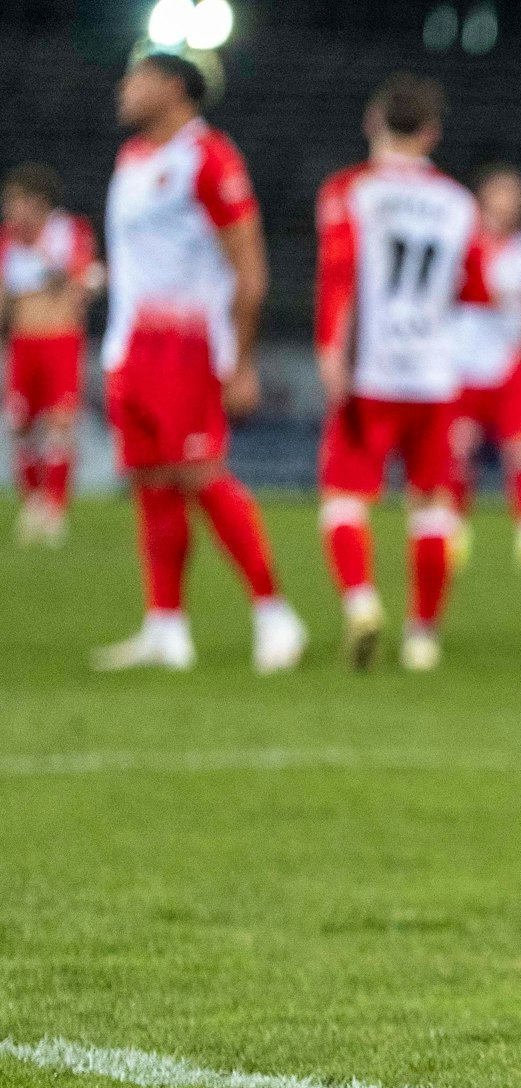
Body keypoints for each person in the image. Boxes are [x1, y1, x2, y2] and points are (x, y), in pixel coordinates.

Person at [93, 52, 307, 674]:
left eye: (134, 79)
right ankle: (166, 628)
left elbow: (250, 268)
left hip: (186, 342)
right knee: (151, 483)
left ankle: (276, 615)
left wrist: (240, 361)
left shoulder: (208, 158)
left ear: (170, 87)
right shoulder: (132, 158)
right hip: (131, 343)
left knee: (201, 473)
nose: (123, 90)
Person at [316, 74, 489, 672]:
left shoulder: (350, 191)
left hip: (371, 370)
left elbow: (338, 274)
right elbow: (474, 286)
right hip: (435, 373)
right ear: (432, 132)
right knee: (434, 506)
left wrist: (330, 351)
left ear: (373, 121)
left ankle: (363, 604)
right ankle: (422, 637)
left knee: (344, 499)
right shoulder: (459, 203)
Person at [449, 162, 521, 572]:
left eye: (515, 194)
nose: (510, 201)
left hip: (513, 360)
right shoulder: (462, 244)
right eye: (501, 192)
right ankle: (453, 534)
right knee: (458, 451)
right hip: (463, 361)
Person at [4, 163, 101, 547]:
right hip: (22, 343)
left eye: (15, 203)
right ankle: (32, 505)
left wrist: (81, 284)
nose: (10, 211)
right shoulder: (7, 244)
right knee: (20, 425)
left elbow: (85, 279)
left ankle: (55, 509)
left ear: (38, 203)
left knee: (61, 423)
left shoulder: (67, 233)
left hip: (60, 340)